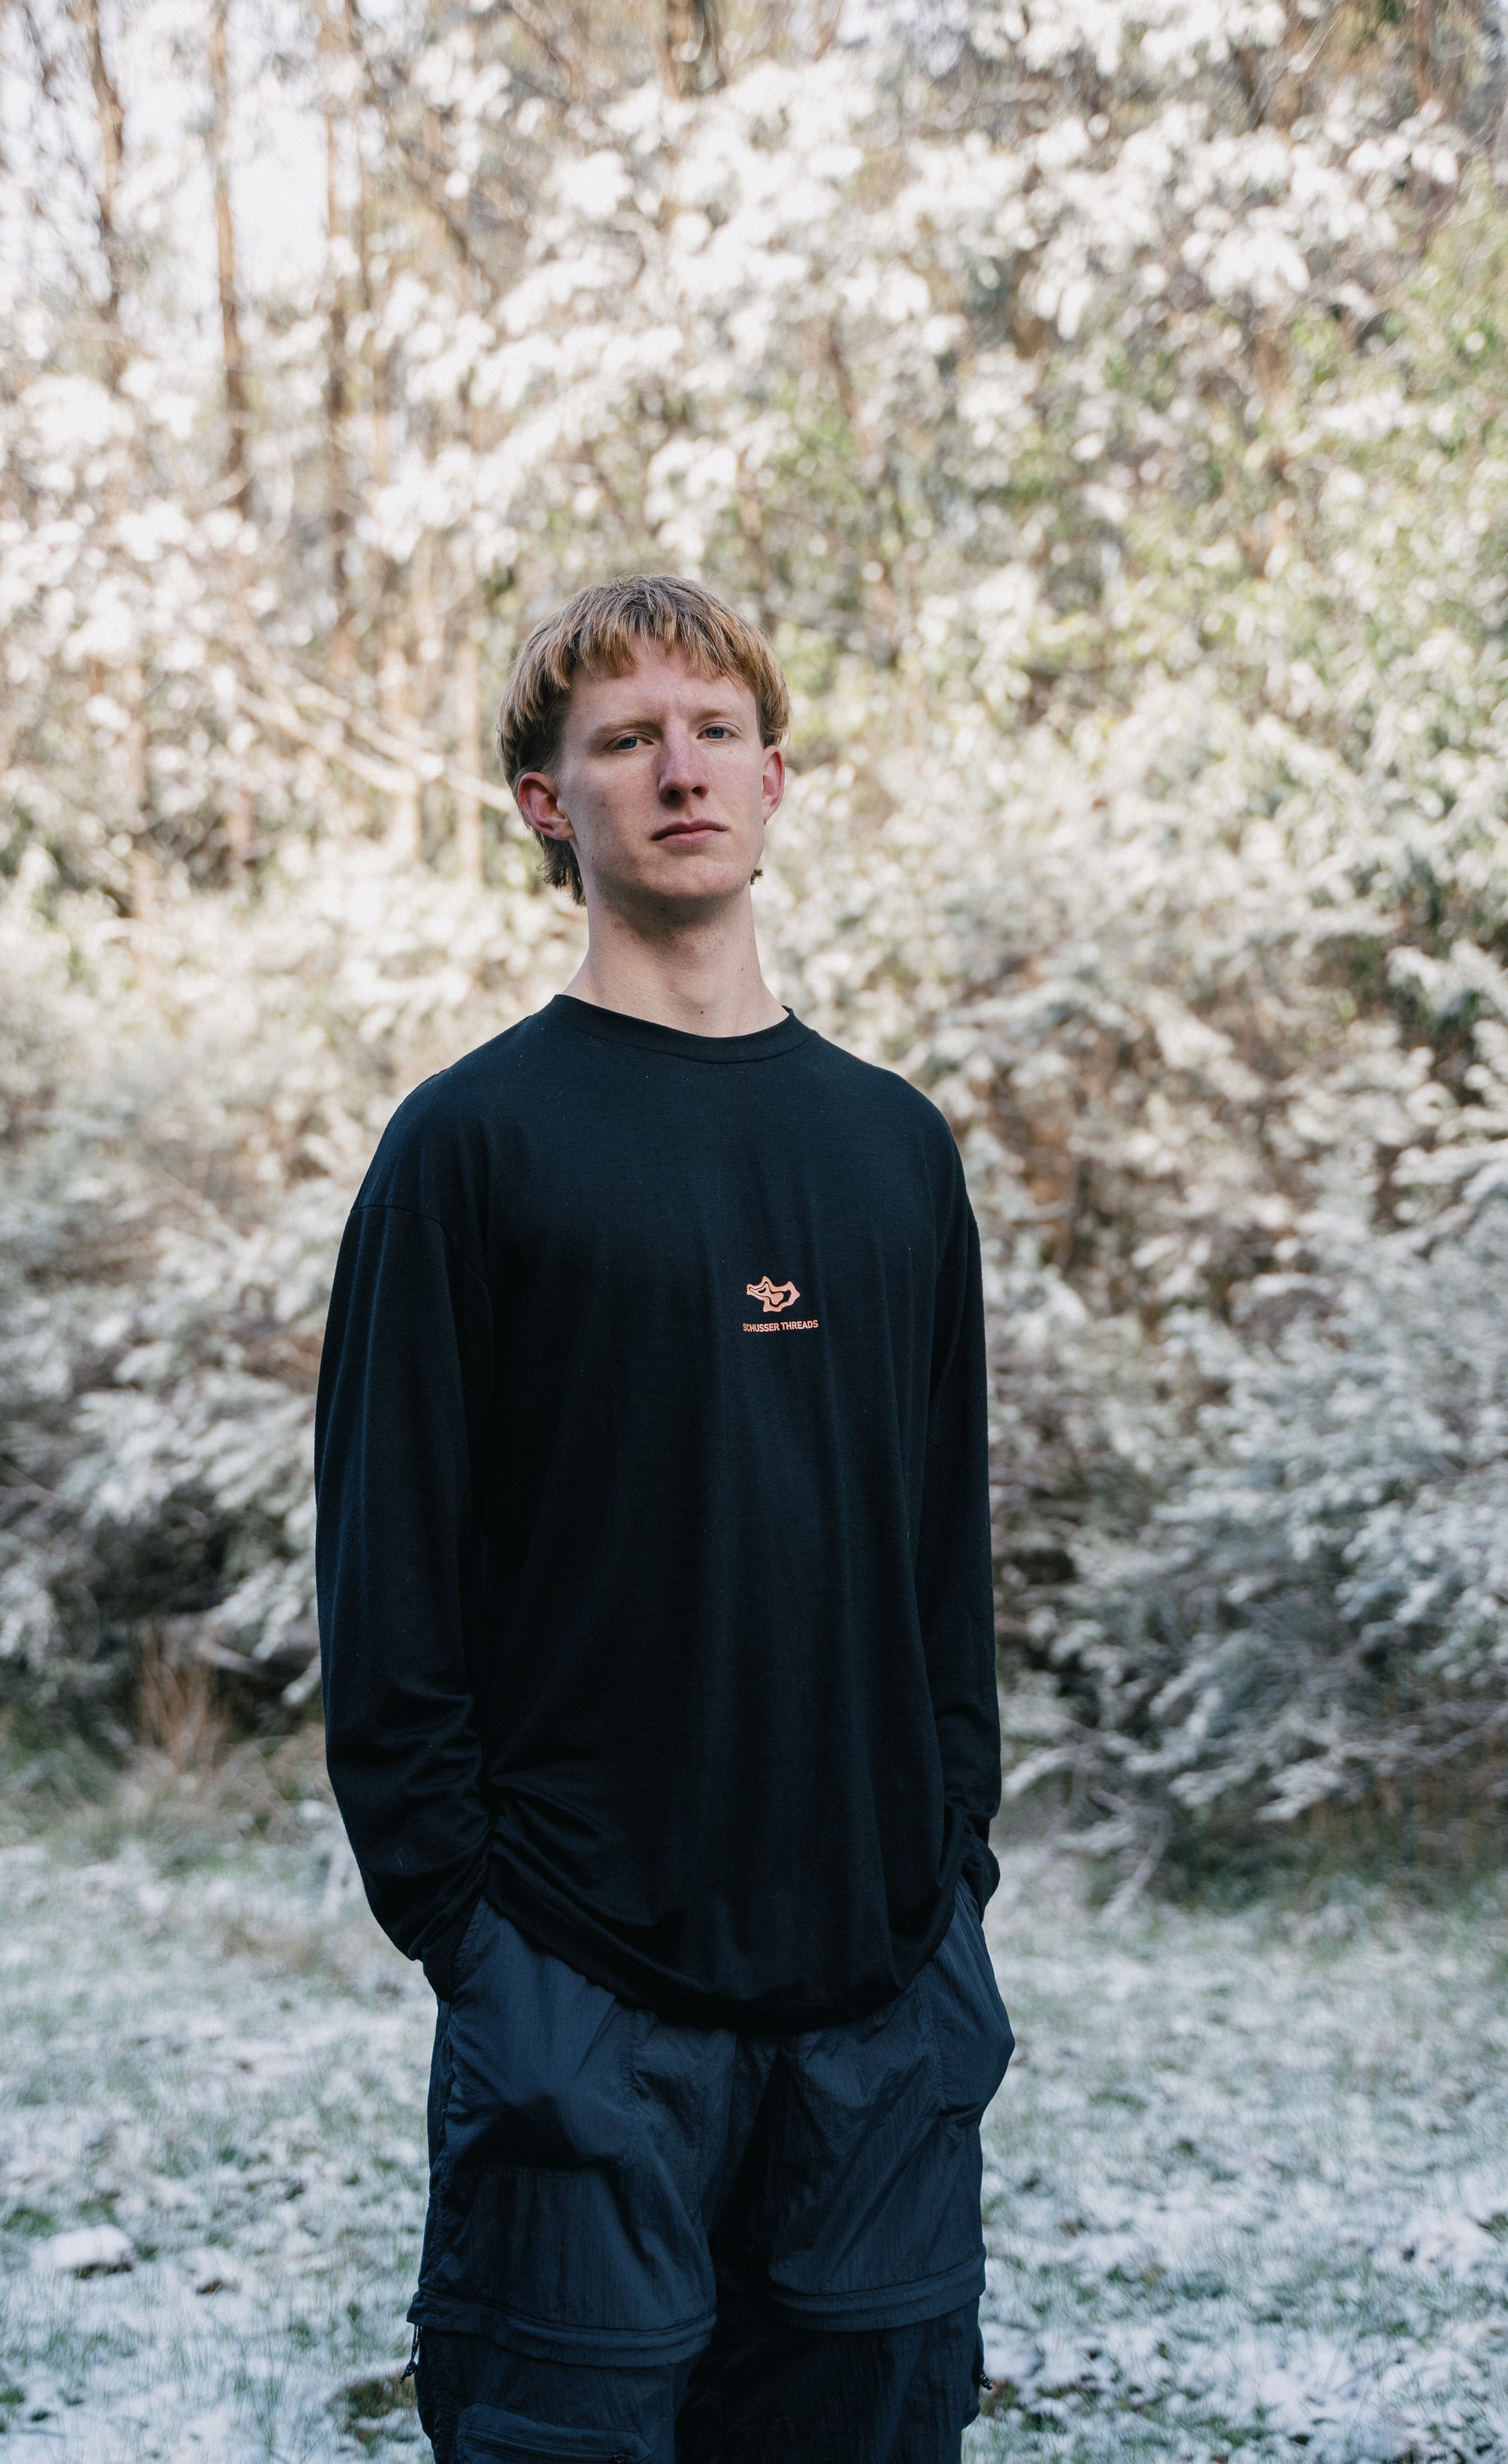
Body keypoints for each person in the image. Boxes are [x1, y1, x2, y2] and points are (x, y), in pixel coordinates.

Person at [314, 574, 1014, 2464]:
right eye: (622, 739)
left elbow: (941, 1551)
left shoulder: (890, 1144)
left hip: (880, 2005)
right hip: (581, 1999)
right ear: (551, 804)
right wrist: (480, 1939)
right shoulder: (473, 1146)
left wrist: (951, 1864)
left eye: (711, 730)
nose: (676, 769)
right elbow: (387, 1593)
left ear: (776, 780)